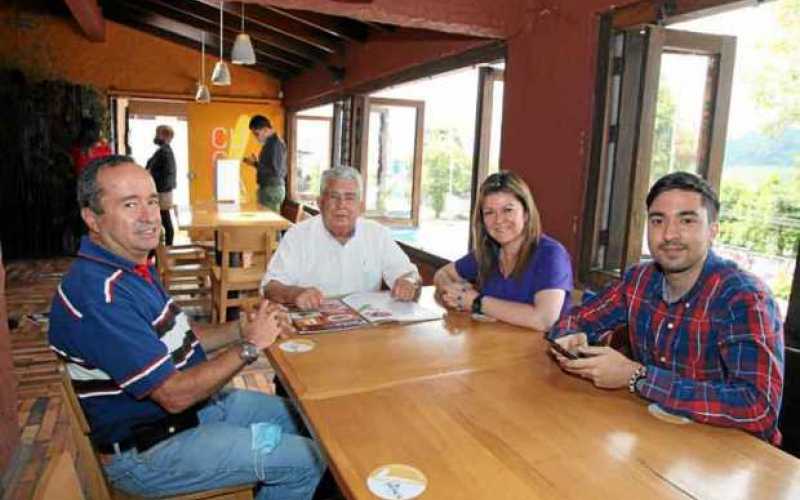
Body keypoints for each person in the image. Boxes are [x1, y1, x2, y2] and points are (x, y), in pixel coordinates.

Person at [48, 155, 325, 499]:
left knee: (314, 420)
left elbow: (182, 336)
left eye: (152, 200)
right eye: (130, 204)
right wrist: (249, 347)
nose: (150, 216)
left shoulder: (128, 266)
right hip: (151, 450)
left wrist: (241, 329)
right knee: (308, 460)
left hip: (193, 413)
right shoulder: (101, 295)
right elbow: (175, 395)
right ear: (92, 218)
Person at [549, 171, 784, 444]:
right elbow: (574, 319)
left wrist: (637, 376)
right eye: (658, 220)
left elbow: (758, 408)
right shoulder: (639, 279)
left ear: (713, 231)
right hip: (654, 437)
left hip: (726, 456)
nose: (670, 234)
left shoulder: (744, 297)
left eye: (686, 220)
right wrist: (569, 339)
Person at [262, 165, 420, 310]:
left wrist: (409, 283)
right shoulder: (298, 236)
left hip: (364, 330)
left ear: (361, 206)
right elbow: (270, 286)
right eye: (334, 197)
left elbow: (410, 275)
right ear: (320, 202)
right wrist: (295, 293)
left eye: (350, 197)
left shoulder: (377, 234)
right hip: (312, 326)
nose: (341, 205)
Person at [433, 171, 573, 330]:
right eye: (489, 212)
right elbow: (442, 274)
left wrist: (476, 302)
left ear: (526, 213)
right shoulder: (489, 251)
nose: (499, 220)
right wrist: (455, 292)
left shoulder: (551, 254)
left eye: (508, 210)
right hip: (497, 346)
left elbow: (544, 319)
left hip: (544, 352)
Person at [243, 115, 286, 211]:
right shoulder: (270, 143)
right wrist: (256, 163)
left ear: (266, 129)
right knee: (266, 222)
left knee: (269, 224)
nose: (256, 138)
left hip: (271, 189)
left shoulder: (275, 144)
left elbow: (276, 172)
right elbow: (271, 167)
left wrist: (255, 164)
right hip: (269, 188)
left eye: (257, 134)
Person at [145, 125, 177, 246]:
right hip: (164, 191)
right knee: (163, 221)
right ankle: (165, 248)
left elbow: (154, 171)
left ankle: (166, 249)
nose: (155, 136)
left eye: (157, 133)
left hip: (162, 192)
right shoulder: (164, 151)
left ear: (164, 136)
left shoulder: (164, 152)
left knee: (163, 222)